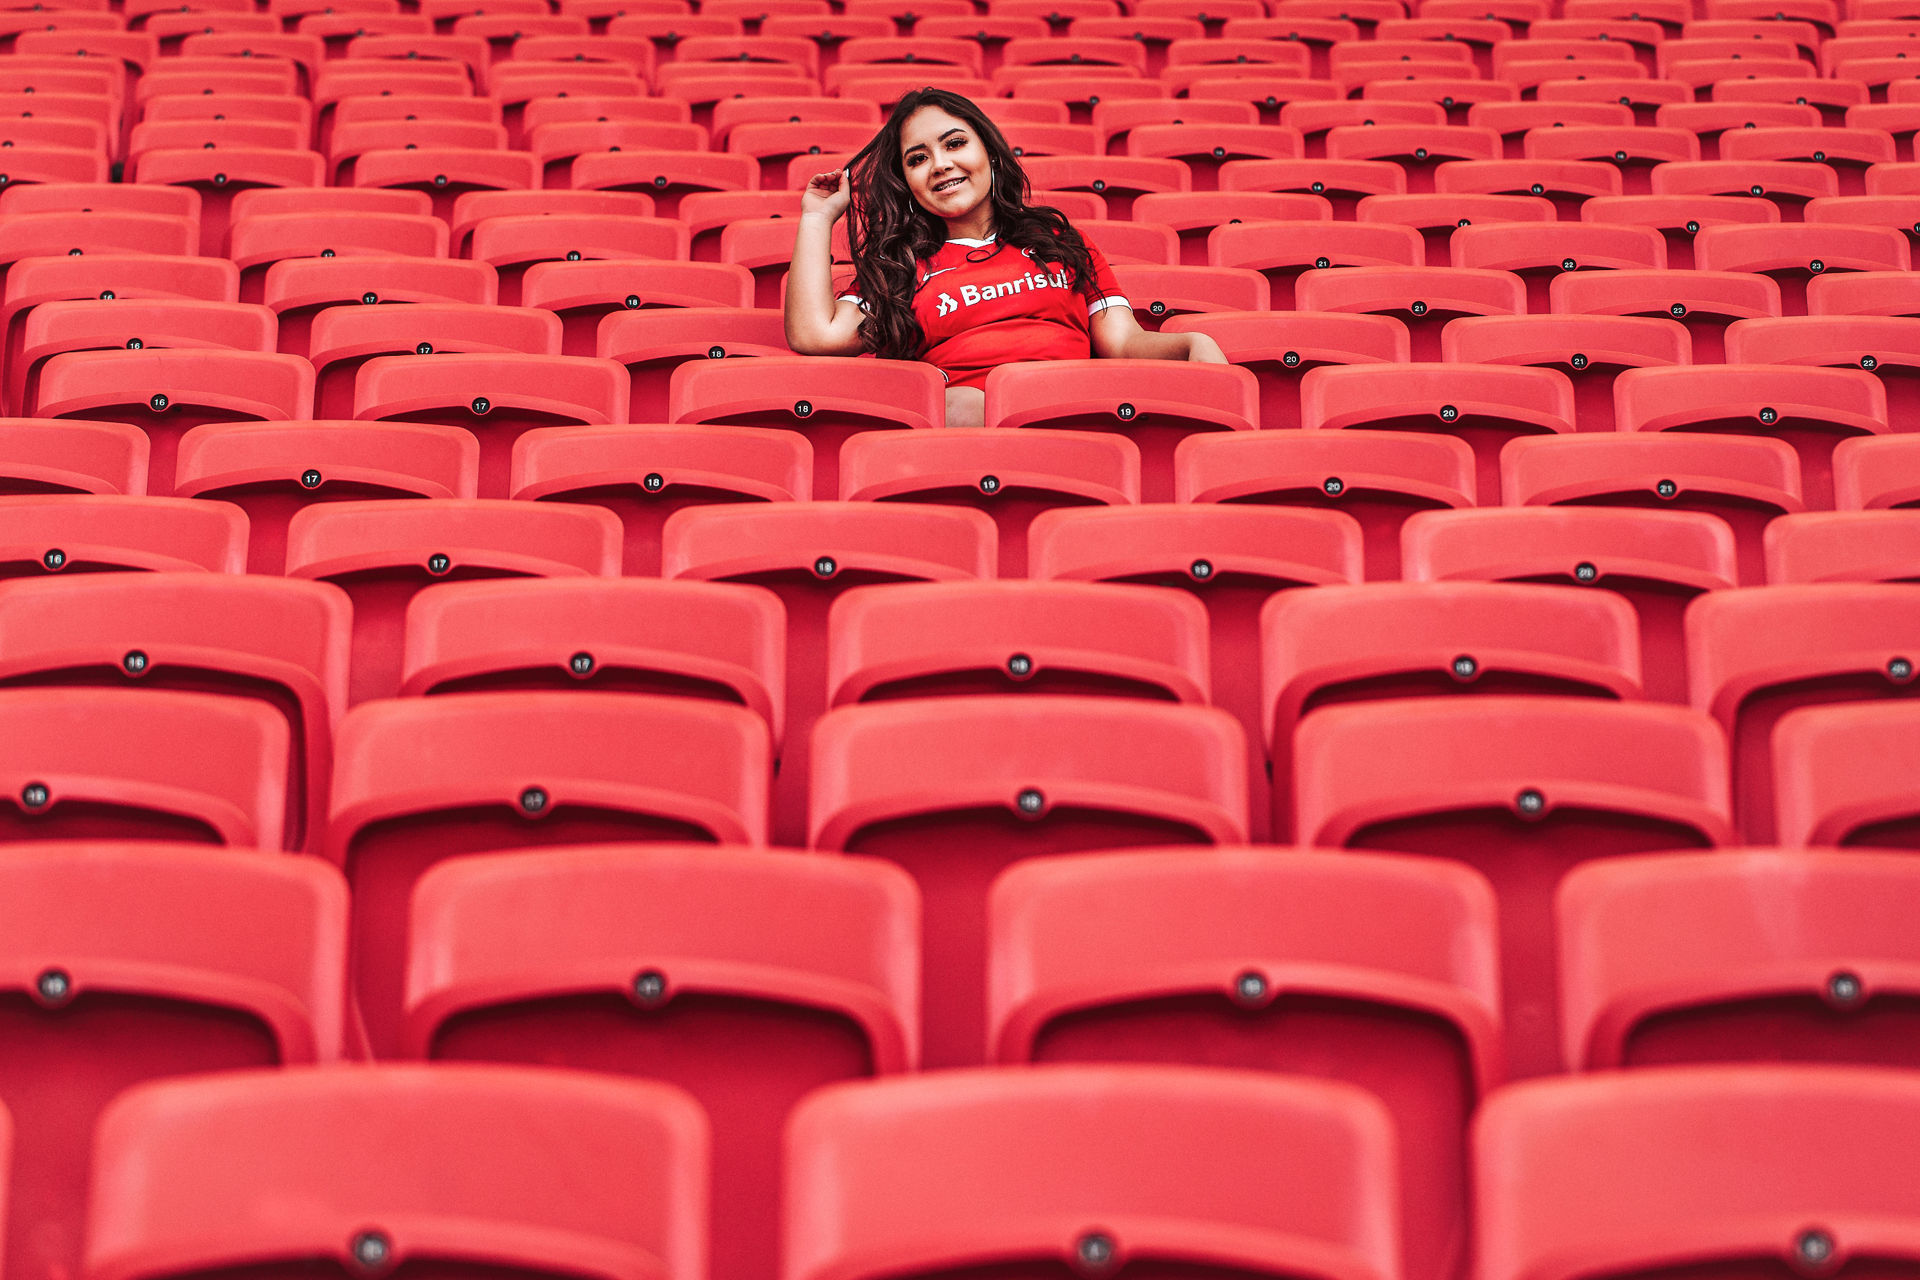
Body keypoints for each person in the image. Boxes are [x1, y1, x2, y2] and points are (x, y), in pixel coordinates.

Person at [784, 86, 1227, 429]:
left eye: (954, 143)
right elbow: (815, 336)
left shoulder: (1058, 241)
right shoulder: (901, 266)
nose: (940, 164)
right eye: (918, 158)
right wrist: (818, 218)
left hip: (1075, 405)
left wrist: (1190, 343)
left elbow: (1123, 344)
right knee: (965, 403)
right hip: (971, 423)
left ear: (991, 155)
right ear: (908, 183)